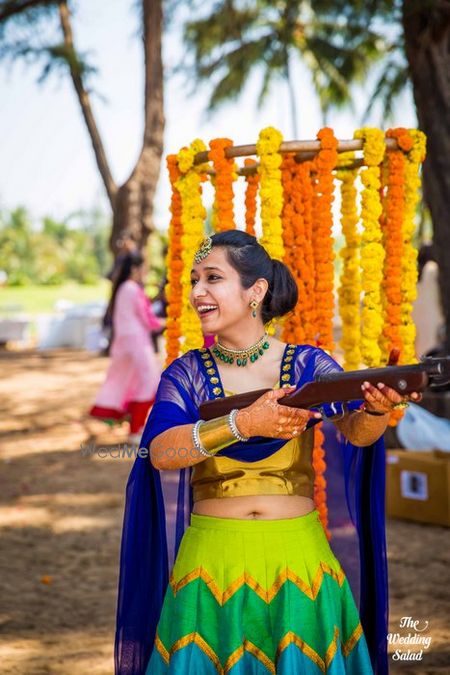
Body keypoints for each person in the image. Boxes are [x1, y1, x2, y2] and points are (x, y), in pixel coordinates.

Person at [115, 231, 421, 675]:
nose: (197, 292)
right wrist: (241, 424)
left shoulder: (306, 365)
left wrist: (377, 410)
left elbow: (356, 433)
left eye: (213, 278)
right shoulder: (186, 373)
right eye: (194, 280)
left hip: (297, 560)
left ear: (255, 291)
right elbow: (161, 452)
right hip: (210, 564)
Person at [90, 252, 162, 443]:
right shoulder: (133, 289)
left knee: (134, 381)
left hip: (124, 343)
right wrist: (166, 323)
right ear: (134, 269)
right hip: (137, 342)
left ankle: (133, 423)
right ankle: (135, 429)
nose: (145, 272)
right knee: (148, 382)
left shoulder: (122, 288)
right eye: (143, 268)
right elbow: (148, 318)